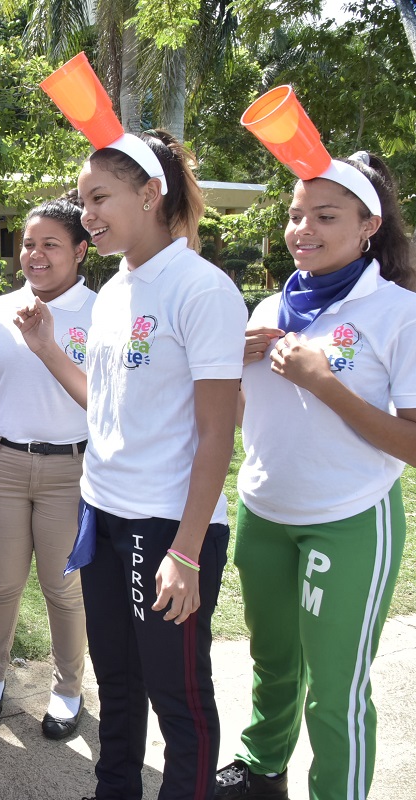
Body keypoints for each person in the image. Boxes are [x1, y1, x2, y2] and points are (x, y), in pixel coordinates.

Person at [17, 131, 246, 799]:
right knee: (116, 680)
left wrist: (187, 551)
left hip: (168, 525)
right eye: (83, 198)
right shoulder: (117, 288)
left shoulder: (202, 290)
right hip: (104, 515)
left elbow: (215, 435)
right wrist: (48, 350)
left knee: (178, 696)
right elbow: (107, 409)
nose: (86, 212)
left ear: (150, 194)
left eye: (99, 197)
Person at [216, 153, 415, 800]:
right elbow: (244, 418)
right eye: (296, 214)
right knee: (272, 664)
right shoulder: (269, 305)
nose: (303, 228)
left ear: (368, 225)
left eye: (325, 216)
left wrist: (325, 383)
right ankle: (261, 768)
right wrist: (225, 364)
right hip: (265, 514)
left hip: (350, 521)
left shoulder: (399, 314)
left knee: (335, 690)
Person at [0, 195, 94, 737]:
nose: (35, 255)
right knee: (2, 584)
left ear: (80, 250)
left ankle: (69, 688)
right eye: (28, 244)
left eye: (51, 245)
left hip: (69, 472)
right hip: (1, 466)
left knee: (62, 588)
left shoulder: (102, 312)